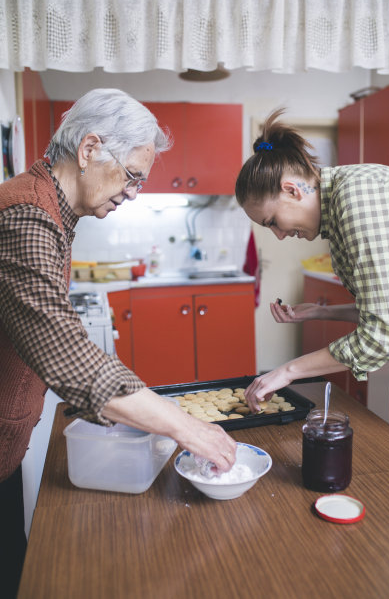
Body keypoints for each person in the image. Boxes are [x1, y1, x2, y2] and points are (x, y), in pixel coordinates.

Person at [0, 88, 236, 598]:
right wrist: (189, 429)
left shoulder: (54, 210)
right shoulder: (28, 215)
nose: (133, 193)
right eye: (131, 175)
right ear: (89, 150)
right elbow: (63, 352)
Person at [235, 108, 389, 439]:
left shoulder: (358, 200)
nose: (280, 235)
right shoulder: (337, 209)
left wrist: (286, 371)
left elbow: (380, 337)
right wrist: (321, 312)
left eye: (272, 221)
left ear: (292, 190)